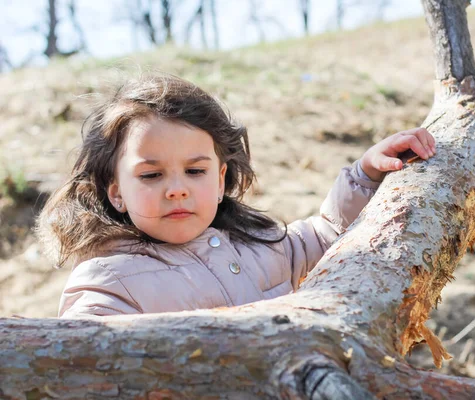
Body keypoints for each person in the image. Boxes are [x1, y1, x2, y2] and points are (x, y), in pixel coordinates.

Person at [36, 73, 436, 318]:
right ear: (117, 192)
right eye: (152, 174)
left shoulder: (257, 244)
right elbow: (86, 353)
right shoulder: (106, 281)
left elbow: (327, 234)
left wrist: (365, 174)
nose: (177, 188)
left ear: (221, 176)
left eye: (195, 171)